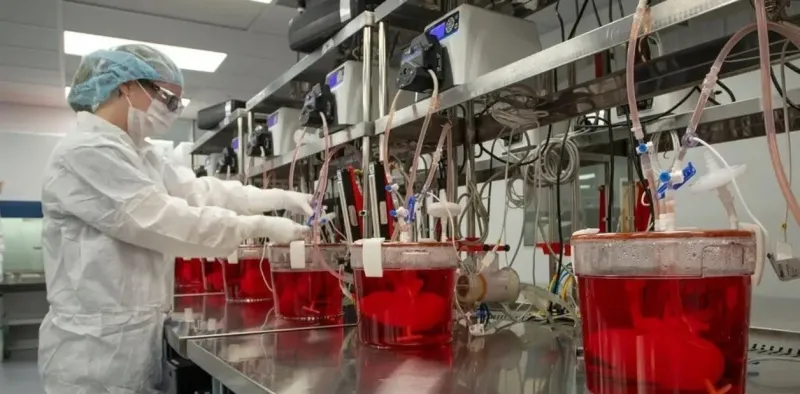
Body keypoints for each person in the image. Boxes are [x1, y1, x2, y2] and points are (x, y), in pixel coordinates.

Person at [38, 44, 312, 393]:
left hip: (132, 339)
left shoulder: (139, 152)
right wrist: (260, 226)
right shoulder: (85, 152)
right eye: (168, 99)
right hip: (94, 353)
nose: (171, 110)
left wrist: (278, 197)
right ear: (126, 86)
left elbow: (199, 191)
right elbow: (165, 220)